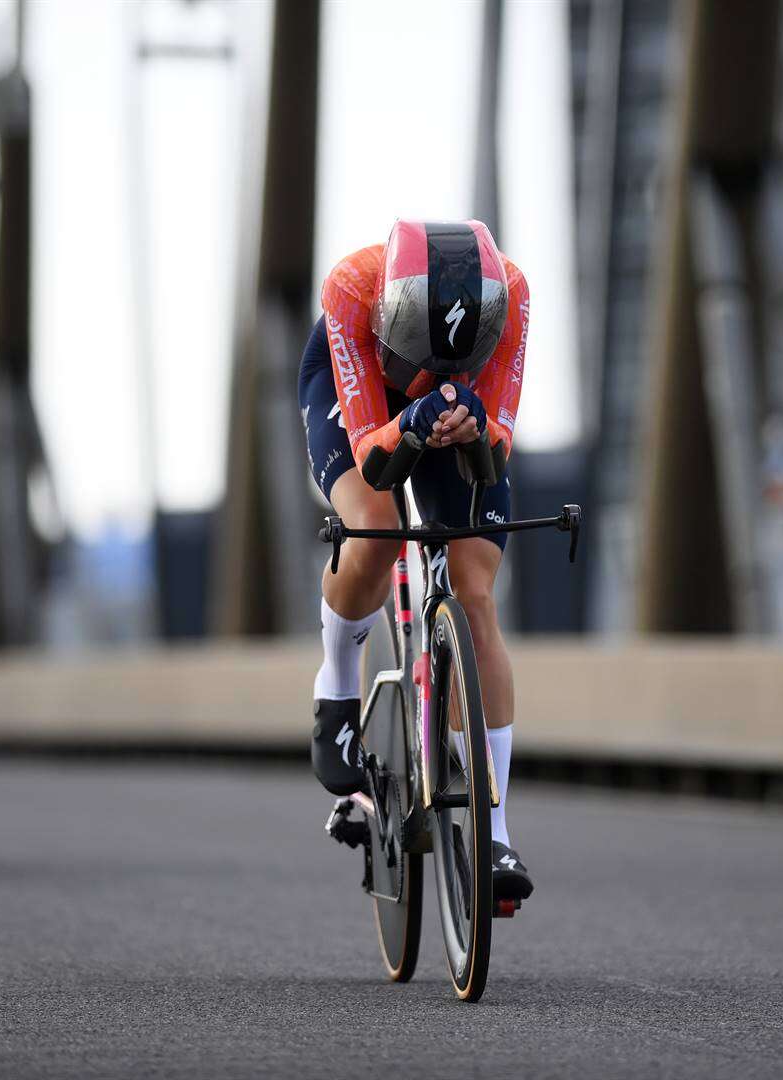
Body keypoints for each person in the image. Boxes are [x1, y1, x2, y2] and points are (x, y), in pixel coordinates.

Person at [300, 219, 533, 902]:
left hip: (456, 409)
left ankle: (494, 831)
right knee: (374, 530)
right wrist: (410, 422)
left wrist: (474, 424)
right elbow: (374, 456)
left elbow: (500, 443)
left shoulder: (512, 292)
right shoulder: (350, 287)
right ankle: (337, 680)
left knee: (476, 594)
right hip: (362, 397)